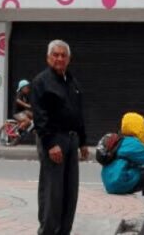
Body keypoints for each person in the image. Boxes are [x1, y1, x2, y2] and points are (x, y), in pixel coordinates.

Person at [31, 39, 88, 235]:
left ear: (69, 59)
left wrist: (83, 141)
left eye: (63, 55)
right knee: (53, 191)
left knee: (70, 191)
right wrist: (50, 143)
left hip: (72, 140)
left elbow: (78, 113)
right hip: (54, 141)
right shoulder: (41, 82)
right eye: (55, 54)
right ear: (48, 57)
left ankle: (64, 231)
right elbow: (39, 116)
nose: (59, 58)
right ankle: (47, 231)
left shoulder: (72, 82)